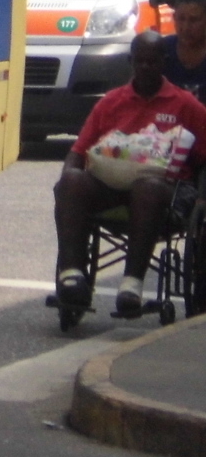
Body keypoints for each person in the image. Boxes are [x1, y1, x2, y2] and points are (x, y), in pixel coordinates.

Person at [55, 28, 206, 317]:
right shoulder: (111, 102)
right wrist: (67, 184)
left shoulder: (185, 104)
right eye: (140, 62)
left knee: (146, 188)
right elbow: (79, 151)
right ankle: (72, 274)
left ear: (164, 62)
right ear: (131, 61)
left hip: (164, 193)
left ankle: (132, 284)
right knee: (72, 180)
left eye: (153, 62)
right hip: (110, 187)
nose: (146, 68)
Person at [166, 0, 206, 98]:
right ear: (174, 18)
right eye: (181, 19)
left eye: (193, 20)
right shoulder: (162, 50)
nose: (185, 28)